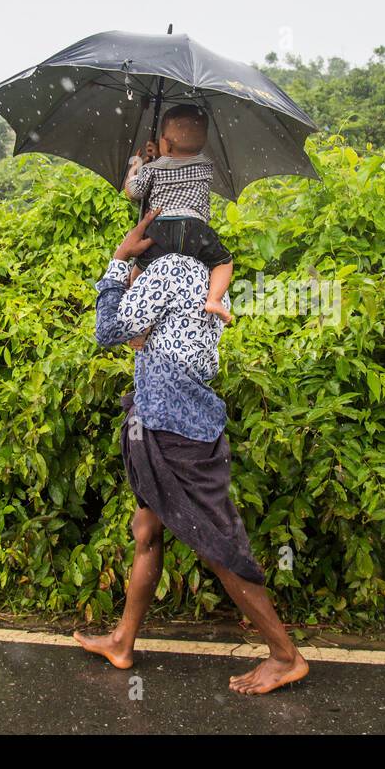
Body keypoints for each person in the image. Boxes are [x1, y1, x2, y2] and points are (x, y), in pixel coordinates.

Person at [73, 209, 309, 695]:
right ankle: (122, 640)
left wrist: (119, 261)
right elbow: (156, 340)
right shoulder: (203, 280)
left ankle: (285, 656)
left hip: (172, 428)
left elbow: (107, 331)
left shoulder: (167, 272)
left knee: (217, 543)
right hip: (171, 422)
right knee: (147, 528)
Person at [122, 104, 235, 324]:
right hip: (195, 230)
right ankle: (213, 299)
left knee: (139, 273)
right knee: (223, 262)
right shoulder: (206, 166)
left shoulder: (154, 168)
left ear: (165, 142)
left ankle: (139, 323)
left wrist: (135, 169)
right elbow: (178, 159)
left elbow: (133, 192)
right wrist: (164, 152)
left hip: (160, 230)